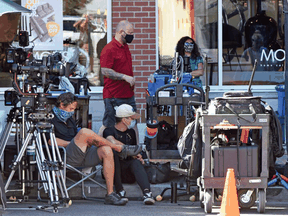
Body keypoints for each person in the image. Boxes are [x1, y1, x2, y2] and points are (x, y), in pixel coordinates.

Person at [48, 92, 144, 206]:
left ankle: (110, 194)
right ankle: (119, 148)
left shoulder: (69, 119)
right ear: (62, 105)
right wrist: (74, 143)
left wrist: (83, 142)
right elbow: (51, 142)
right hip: (65, 156)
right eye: (70, 108)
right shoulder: (50, 119)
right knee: (84, 132)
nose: (72, 111)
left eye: (74, 109)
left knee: (106, 150)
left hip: (82, 154)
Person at [103, 104, 155, 205]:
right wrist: (130, 150)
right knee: (114, 153)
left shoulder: (131, 132)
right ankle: (119, 191)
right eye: (131, 118)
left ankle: (147, 193)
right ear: (124, 119)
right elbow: (111, 141)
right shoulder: (109, 130)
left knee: (136, 162)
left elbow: (134, 152)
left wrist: (138, 156)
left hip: (128, 171)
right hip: (113, 172)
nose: (133, 121)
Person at [98, 20, 138, 143]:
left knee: (133, 122)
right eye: (130, 33)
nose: (132, 36)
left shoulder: (125, 47)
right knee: (108, 124)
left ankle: (136, 149)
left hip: (128, 94)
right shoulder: (109, 49)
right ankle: (98, 146)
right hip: (114, 95)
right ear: (121, 32)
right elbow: (105, 71)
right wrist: (124, 77)